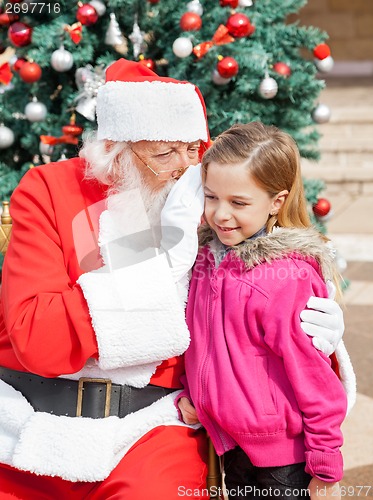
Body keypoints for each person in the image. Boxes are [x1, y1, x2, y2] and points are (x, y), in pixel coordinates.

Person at [0, 60, 346, 499]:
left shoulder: (209, 201)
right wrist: (157, 256)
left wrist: (324, 335)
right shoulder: (50, 189)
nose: (186, 170)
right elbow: (38, 337)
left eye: (193, 150)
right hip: (26, 423)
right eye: (165, 154)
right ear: (115, 147)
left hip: (150, 430)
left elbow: (261, 310)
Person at [177, 122, 356, 500]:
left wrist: (326, 463)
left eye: (239, 203)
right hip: (235, 446)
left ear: (276, 202)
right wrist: (192, 394)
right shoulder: (207, 261)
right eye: (211, 197)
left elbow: (312, 374)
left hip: (284, 462)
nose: (220, 214)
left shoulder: (283, 277)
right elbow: (203, 342)